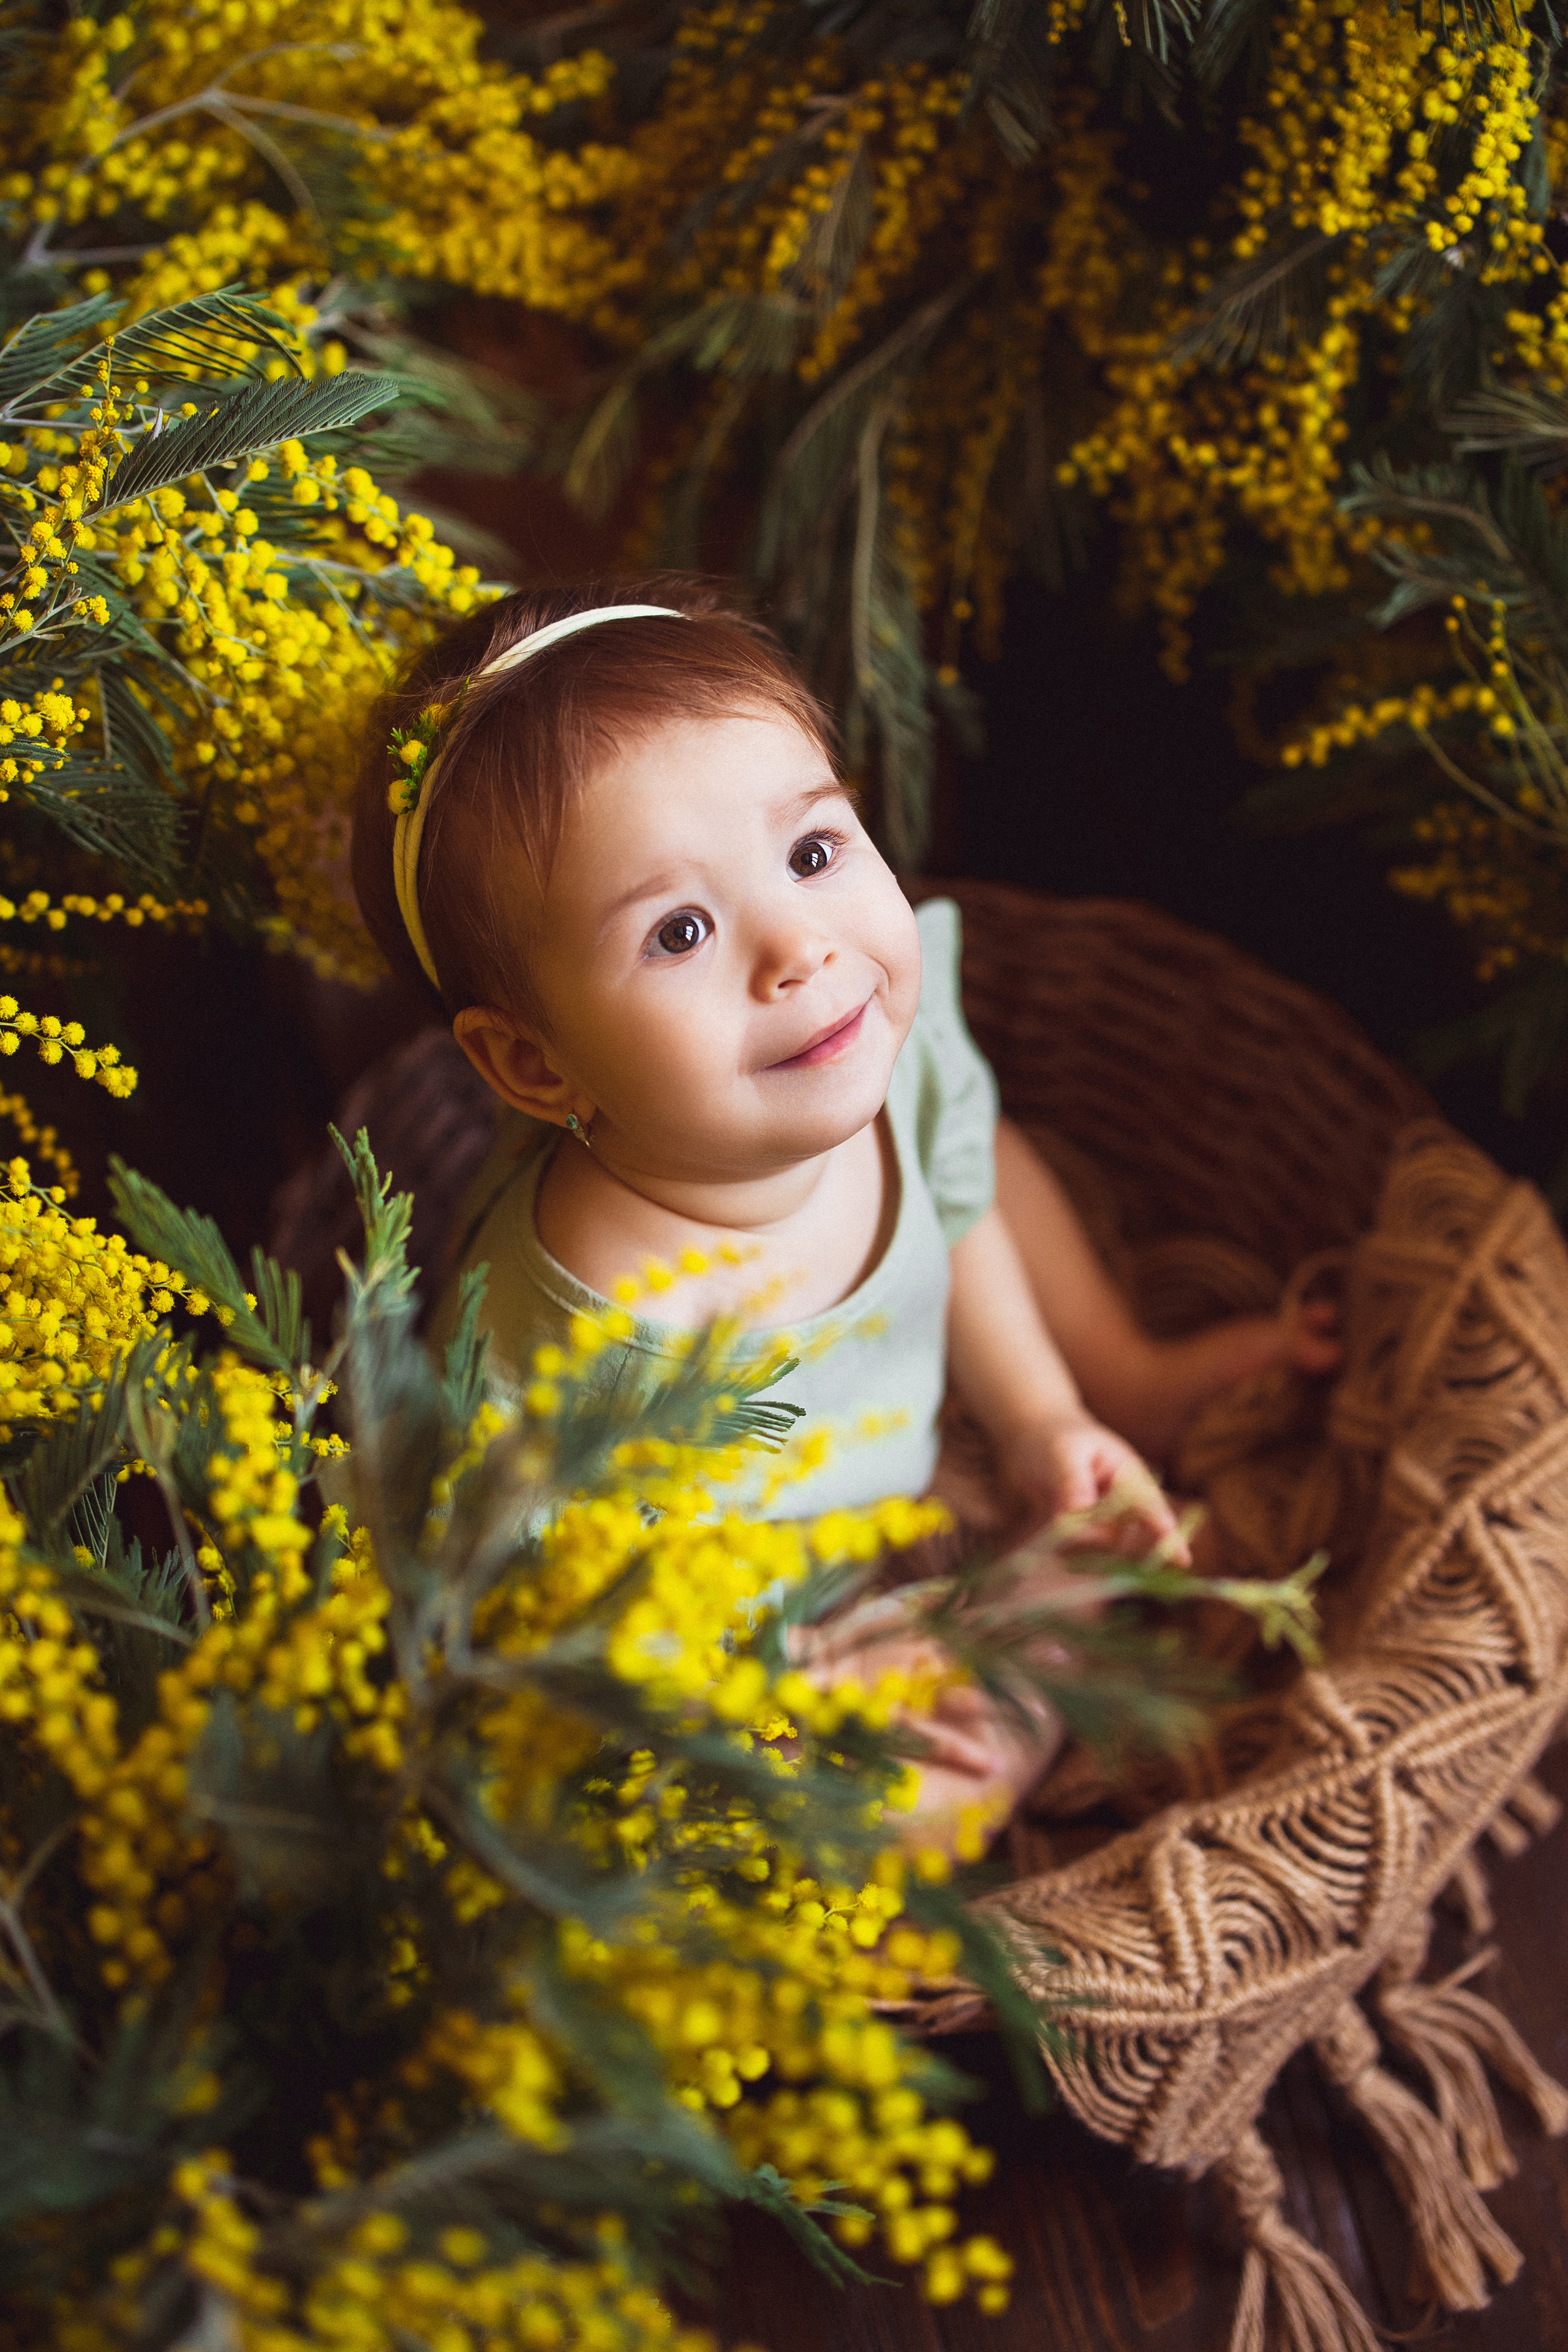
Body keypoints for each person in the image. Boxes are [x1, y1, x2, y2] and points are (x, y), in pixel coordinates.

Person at [352, 578, 1336, 1840]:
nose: (800, 951)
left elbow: (959, 1224)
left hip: (911, 1459)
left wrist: (1038, 1413)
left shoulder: (871, 1055)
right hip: (752, 1652)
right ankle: (1033, 1656)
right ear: (537, 1067)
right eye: (679, 931)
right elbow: (530, 1628)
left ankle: (1123, 1371)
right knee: (869, 1816)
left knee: (971, 1147)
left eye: (813, 853)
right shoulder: (565, 1334)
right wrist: (777, 1696)